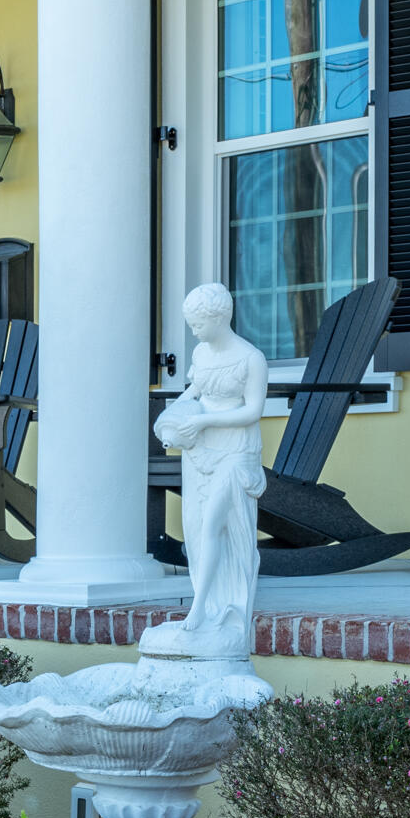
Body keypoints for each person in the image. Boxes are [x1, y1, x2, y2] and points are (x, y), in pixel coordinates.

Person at [144, 282, 266, 659]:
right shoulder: (201, 352)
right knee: (196, 529)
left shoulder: (251, 358)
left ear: (218, 318)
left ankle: (201, 607)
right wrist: (172, 418)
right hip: (199, 450)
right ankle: (211, 602)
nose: (193, 330)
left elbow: (252, 411)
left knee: (214, 522)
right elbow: (193, 392)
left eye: (197, 323)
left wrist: (204, 421)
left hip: (235, 451)